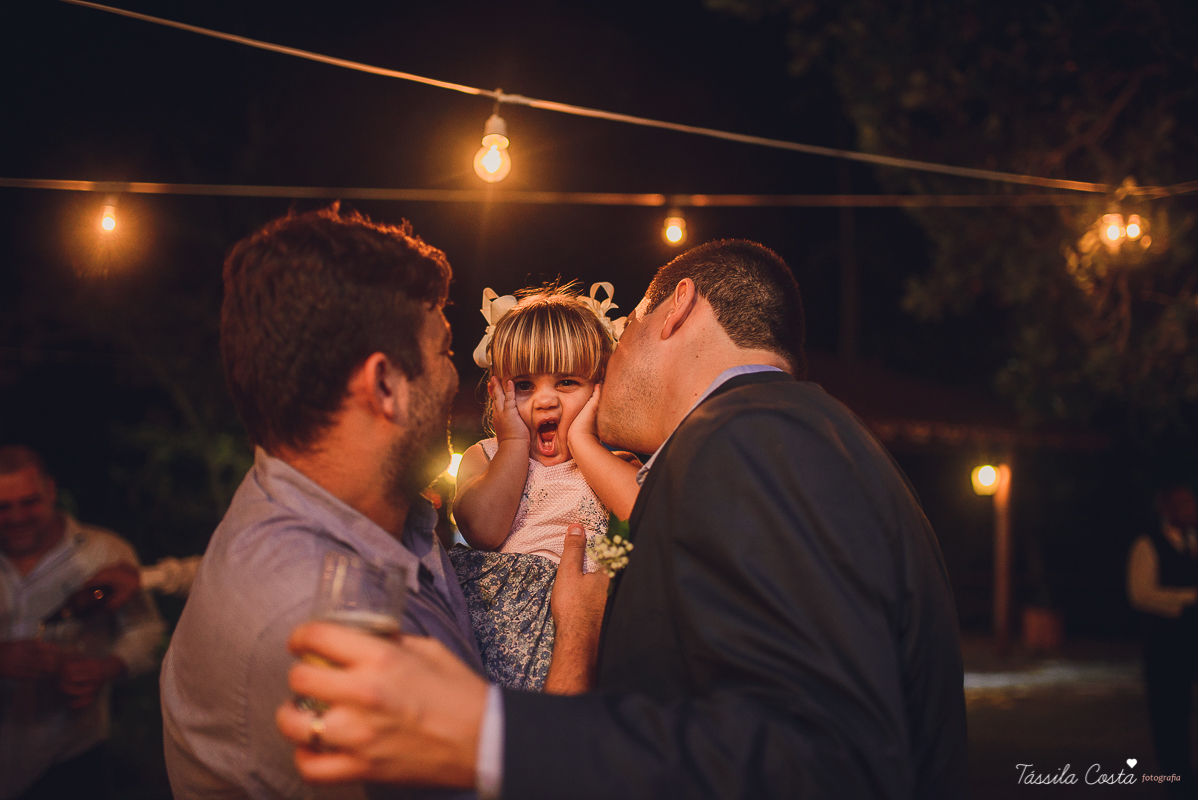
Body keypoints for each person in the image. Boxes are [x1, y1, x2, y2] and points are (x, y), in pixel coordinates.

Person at [276, 239, 969, 799]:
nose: (612, 363)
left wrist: (486, 733)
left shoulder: (753, 438)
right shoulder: (783, 437)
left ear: (675, 310)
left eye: (628, 327)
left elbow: (826, 766)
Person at [160, 206, 606, 800]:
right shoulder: (332, 623)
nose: (459, 380)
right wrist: (578, 637)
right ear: (384, 386)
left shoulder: (373, 517)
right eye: (444, 352)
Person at [451, 284, 641, 690]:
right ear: (496, 393)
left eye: (567, 382)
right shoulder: (486, 457)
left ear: (599, 388)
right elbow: (483, 530)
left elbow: (642, 515)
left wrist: (584, 443)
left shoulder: (616, 464)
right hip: (497, 634)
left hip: (584, 635)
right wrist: (512, 443)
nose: (545, 401)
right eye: (523, 385)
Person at [0, 445, 164, 800]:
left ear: (51, 490)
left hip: (69, 752)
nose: (16, 517)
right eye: (3, 507)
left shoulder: (103, 552)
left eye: (29, 502)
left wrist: (108, 667)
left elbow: (146, 631)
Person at [1127, 485, 1198, 793]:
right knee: (1168, 710)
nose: (1191, 509)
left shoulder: (1193, 542)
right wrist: (1187, 597)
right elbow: (1140, 593)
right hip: (1164, 643)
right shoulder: (1148, 545)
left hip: (1192, 640)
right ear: (1166, 509)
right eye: (1182, 504)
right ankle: (1173, 775)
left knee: (1185, 708)